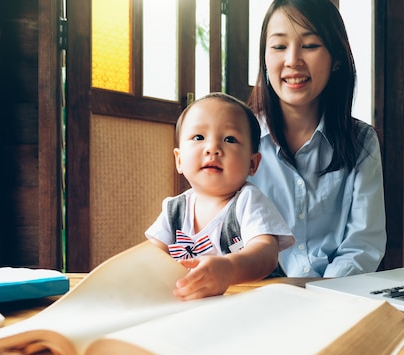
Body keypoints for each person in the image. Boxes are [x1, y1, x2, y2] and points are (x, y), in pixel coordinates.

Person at [248, 0, 386, 278]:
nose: (292, 61)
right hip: (261, 297)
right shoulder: (240, 139)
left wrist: (324, 296)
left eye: (310, 46)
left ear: (336, 59)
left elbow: (363, 244)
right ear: (265, 58)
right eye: (279, 46)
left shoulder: (361, 142)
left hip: (337, 297)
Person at [146, 92, 295, 300]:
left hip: (257, 303)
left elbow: (266, 254)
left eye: (229, 139)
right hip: (199, 306)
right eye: (199, 137)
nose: (212, 148)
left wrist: (229, 268)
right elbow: (150, 258)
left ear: (252, 164)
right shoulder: (174, 210)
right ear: (179, 160)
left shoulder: (248, 201)